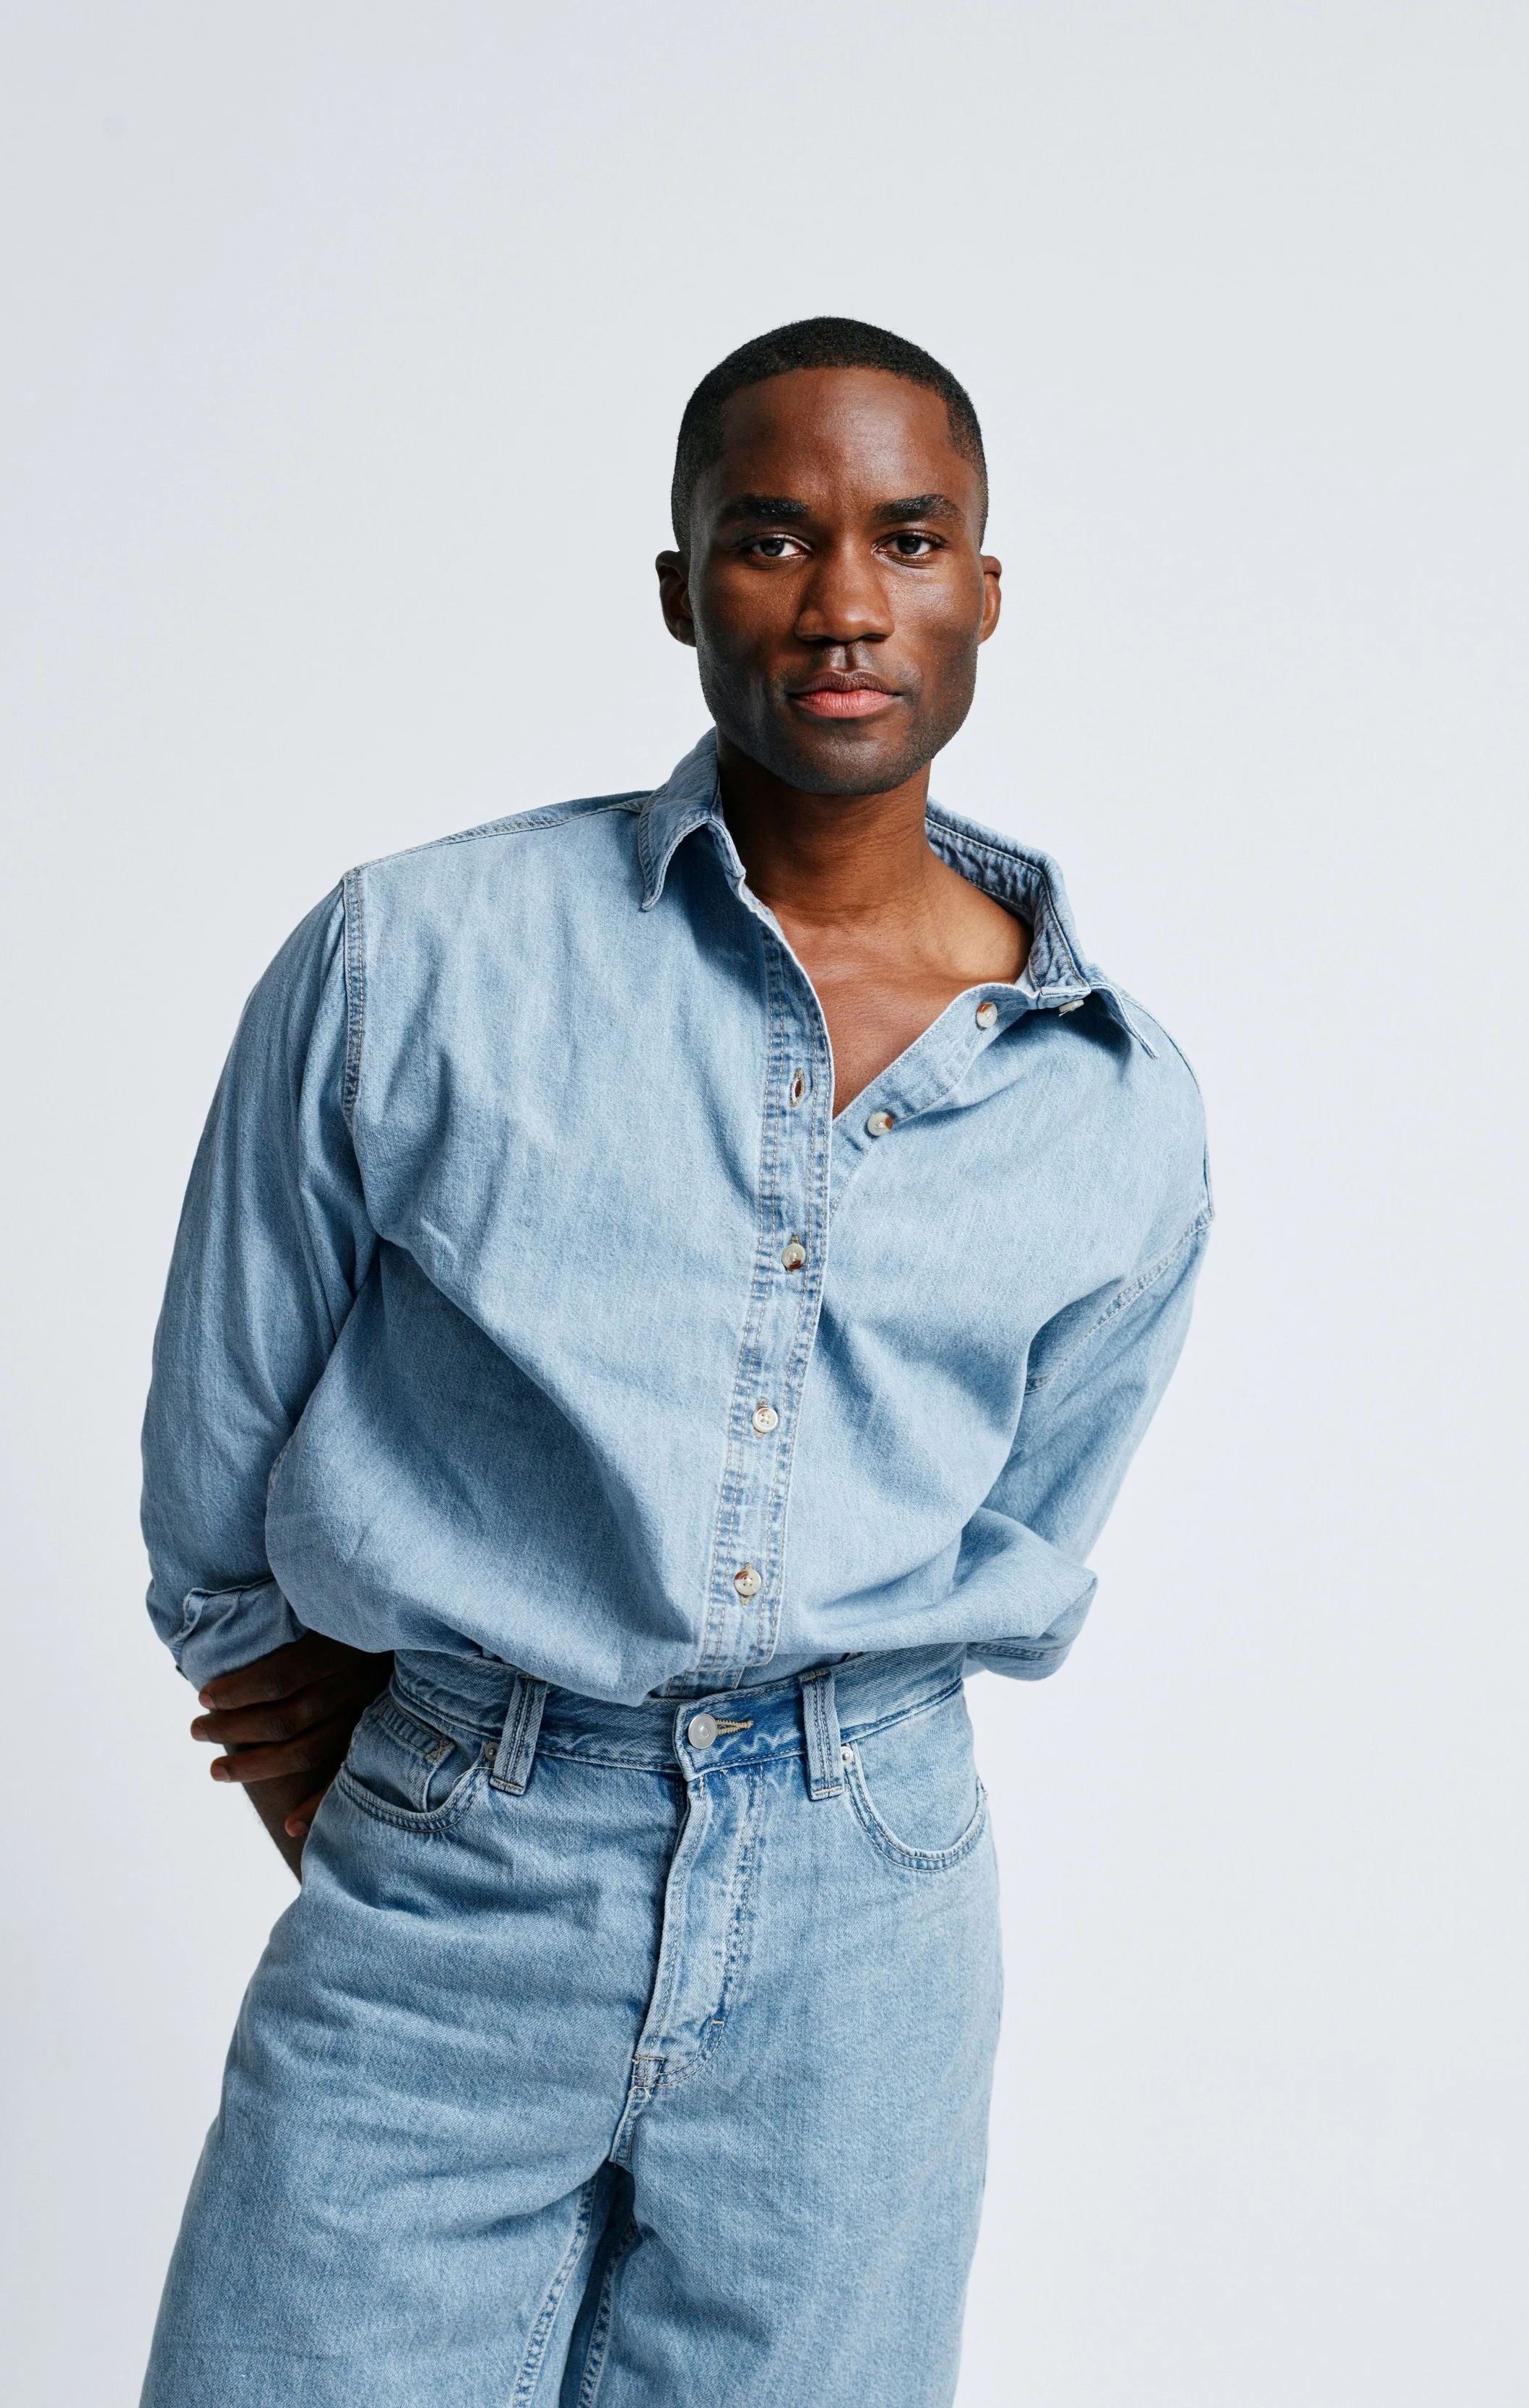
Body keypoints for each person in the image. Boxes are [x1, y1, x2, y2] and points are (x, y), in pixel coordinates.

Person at [137, 316, 1210, 2407]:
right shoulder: (419, 956)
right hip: (457, 1869)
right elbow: (221, 1420)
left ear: (983, 585)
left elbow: (1030, 1506)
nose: (840, 605)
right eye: (767, 539)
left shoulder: (1116, 1102)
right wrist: (357, 1750)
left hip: (865, 1920)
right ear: (677, 588)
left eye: (907, 540)